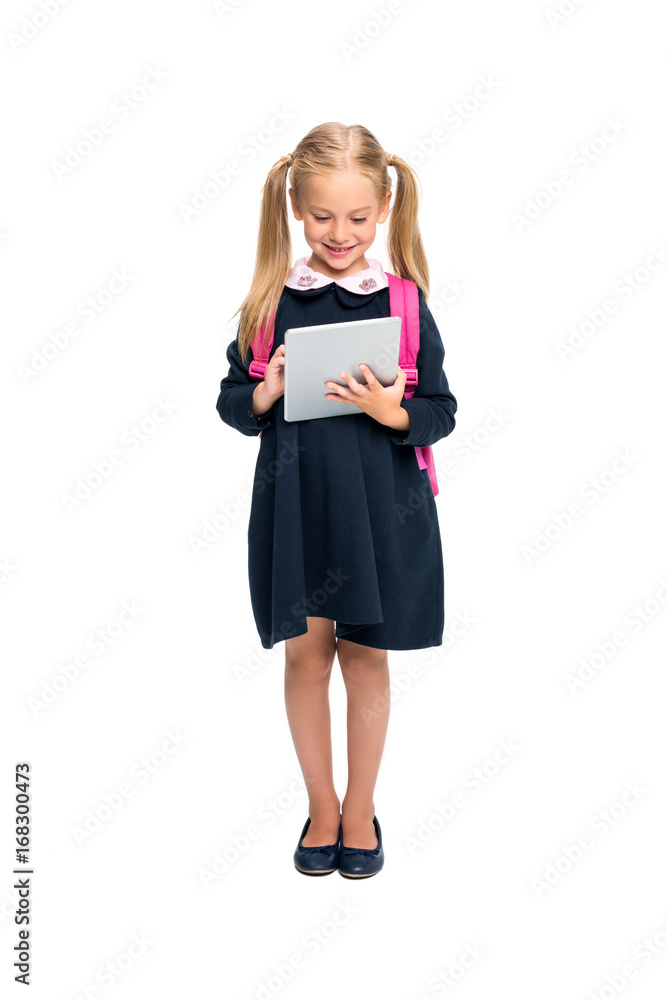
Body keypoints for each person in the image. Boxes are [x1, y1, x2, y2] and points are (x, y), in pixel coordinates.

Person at [216, 122, 457, 878]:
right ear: (295, 206)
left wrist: (394, 414)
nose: (339, 233)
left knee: (365, 661)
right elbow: (230, 402)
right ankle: (321, 808)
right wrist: (265, 391)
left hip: (382, 512)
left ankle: (361, 811)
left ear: (383, 207)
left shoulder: (404, 303)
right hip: (298, 513)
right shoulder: (269, 303)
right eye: (322, 216)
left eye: (356, 217)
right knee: (305, 658)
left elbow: (441, 408)